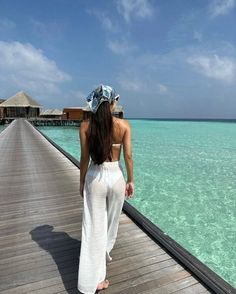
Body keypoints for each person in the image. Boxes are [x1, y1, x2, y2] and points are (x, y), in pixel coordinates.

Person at [77, 85, 134, 293]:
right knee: (111, 223)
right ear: (111, 103)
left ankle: (93, 277)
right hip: (116, 177)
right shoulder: (123, 125)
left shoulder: (85, 127)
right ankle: (103, 254)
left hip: (95, 177)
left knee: (93, 226)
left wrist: (81, 181)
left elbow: (84, 159)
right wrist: (131, 180)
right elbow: (128, 157)